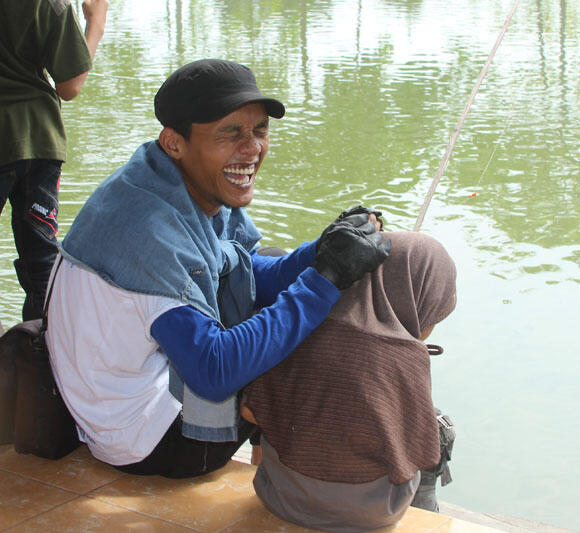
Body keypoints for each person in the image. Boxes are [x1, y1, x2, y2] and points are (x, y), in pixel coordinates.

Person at [44, 58, 391, 478]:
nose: (252, 149)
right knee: (320, 337)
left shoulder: (170, 182)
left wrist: (325, 248)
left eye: (259, 130)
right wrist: (328, 278)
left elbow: (248, 271)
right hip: (149, 442)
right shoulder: (149, 231)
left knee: (286, 272)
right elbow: (214, 370)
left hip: (124, 406)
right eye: (230, 133)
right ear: (174, 142)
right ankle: (307, 487)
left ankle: (281, 460)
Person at [243, 230, 457, 532]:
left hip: (281, 499)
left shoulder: (307, 324)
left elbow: (250, 411)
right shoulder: (409, 357)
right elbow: (423, 451)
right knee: (437, 430)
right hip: (374, 515)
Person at [0, 0, 108, 321]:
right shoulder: (50, 4)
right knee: (42, 262)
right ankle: (41, 353)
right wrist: (96, 24)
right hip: (38, 141)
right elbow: (70, 85)